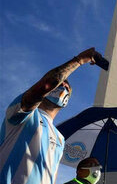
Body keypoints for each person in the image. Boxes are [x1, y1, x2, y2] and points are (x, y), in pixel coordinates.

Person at [0, 48, 101, 184]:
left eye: (67, 87)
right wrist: (79, 60)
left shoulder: (60, 139)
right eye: (60, 83)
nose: (63, 85)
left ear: (66, 101)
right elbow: (46, 85)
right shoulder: (22, 114)